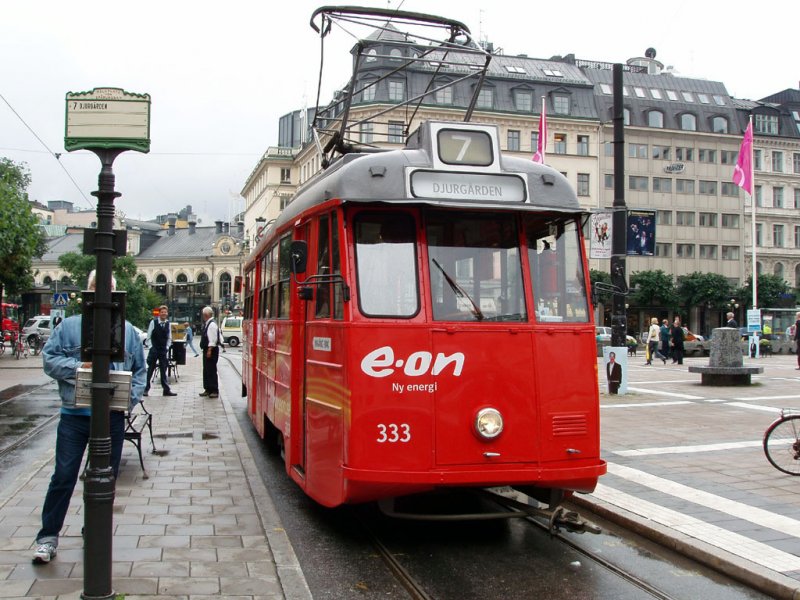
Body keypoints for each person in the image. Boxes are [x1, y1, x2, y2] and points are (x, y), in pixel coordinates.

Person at [32, 270, 146, 564]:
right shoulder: (70, 327)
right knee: (64, 476)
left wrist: (128, 400)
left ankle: (93, 529)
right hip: (74, 416)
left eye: (108, 287)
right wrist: (79, 369)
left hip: (111, 418)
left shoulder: (128, 331)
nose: (102, 293)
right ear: (88, 291)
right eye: (97, 287)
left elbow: (140, 372)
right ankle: (48, 537)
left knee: (107, 479)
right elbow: (49, 359)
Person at [144, 305, 177, 397]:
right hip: (154, 349)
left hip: (163, 349)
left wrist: (167, 347)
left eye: (165, 312)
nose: (163, 314)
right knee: (150, 369)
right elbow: (148, 336)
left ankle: (166, 390)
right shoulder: (153, 322)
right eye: (162, 312)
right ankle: (146, 389)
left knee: (163, 369)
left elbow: (169, 337)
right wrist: (151, 347)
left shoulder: (168, 323)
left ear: (167, 313)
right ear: (159, 313)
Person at [199, 306, 220, 398]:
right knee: (206, 370)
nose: (203, 316)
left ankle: (214, 390)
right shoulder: (208, 323)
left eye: (203, 314)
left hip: (211, 350)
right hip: (207, 349)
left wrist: (209, 350)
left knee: (211, 370)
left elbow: (213, 339)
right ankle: (208, 388)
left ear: (206, 315)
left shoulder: (211, 325)